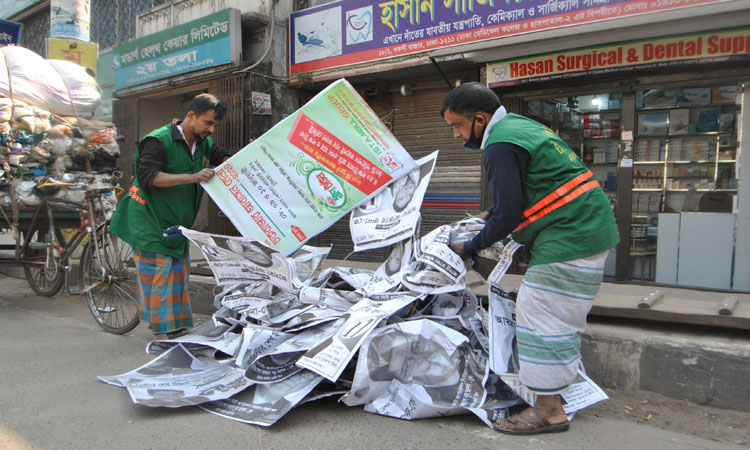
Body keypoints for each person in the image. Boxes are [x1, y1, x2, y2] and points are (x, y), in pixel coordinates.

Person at [441, 82, 619, 435]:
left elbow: (510, 215)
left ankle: (548, 411)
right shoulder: (523, 127)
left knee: (540, 315)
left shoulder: (499, 145)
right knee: (558, 316)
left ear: (479, 118)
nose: (458, 136)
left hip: (570, 234)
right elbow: (531, 188)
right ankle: (554, 397)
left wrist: (470, 247)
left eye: (458, 126)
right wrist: (489, 213)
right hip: (586, 227)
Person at [109, 93, 231, 341]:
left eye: (215, 126)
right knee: (158, 277)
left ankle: (175, 328)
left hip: (176, 224)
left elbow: (222, 156)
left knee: (177, 275)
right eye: (208, 123)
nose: (211, 129)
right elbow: (149, 177)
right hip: (149, 219)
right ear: (191, 115)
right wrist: (193, 177)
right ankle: (159, 335)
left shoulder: (202, 142)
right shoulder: (158, 140)